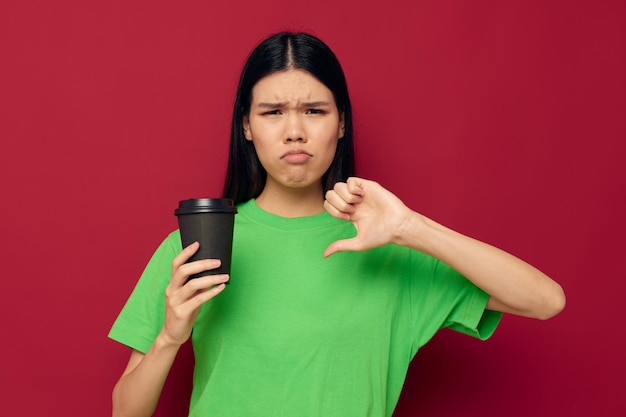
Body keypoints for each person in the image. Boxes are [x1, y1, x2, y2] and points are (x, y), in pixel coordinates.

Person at [109, 32, 565, 417]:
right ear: (246, 126)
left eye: (314, 110)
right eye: (272, 112)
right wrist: (170, 336)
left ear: (341, 123)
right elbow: (125, 411)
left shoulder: (387, 249)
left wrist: (410, 226)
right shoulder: (197, 248)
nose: (294, 131)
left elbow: (545, 301)